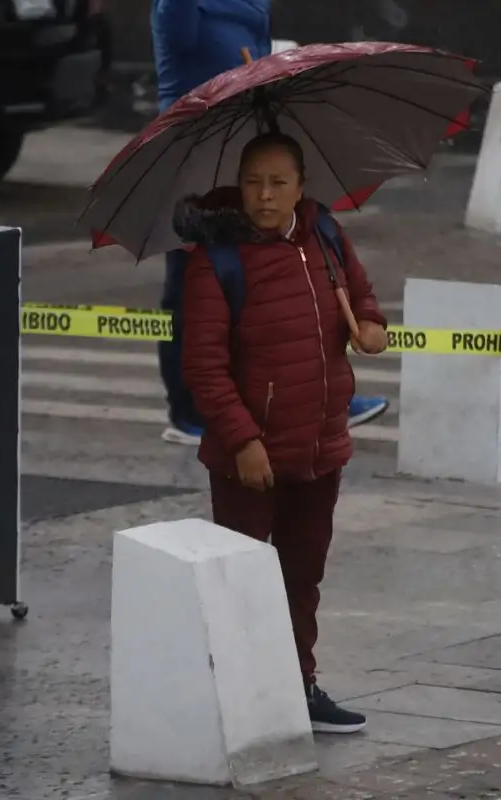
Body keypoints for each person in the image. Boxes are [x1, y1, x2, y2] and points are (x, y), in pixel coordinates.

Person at [178, 132, 383, 734]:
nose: (263, 197)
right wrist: (243, 440)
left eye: (277, 183)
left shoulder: (324, 237)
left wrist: (372, 328)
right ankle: (237, 696)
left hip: (320, 444)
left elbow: (364, 299)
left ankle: (298, 686)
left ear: (301, 187)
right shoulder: (214, 259)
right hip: (251, 456)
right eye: (252, 183)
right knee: (240, 580)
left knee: (302, 574)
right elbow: (204, 367)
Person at [150, 0, 390, 446]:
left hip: (250, 138)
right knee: (193, 287)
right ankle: (188, 412)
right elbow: (181, 42)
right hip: (195, 150)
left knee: (287, 271)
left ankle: (320, 397)